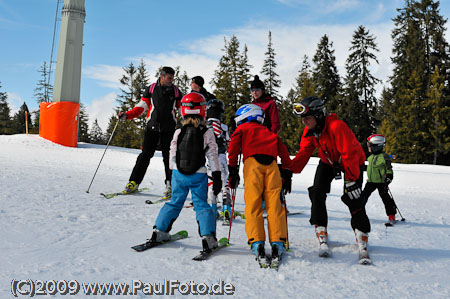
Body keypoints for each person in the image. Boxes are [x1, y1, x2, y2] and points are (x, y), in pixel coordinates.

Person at [290, 96, 370, 260]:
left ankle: (361, 233)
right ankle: (320, 227)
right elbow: (304, 153)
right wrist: (288, 169)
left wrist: (352, 180)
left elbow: (350, 154)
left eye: (307, 118)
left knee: (353, 196)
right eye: (302, 119)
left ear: (318, 116)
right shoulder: (311, 131)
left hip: (352, 162)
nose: (304, 122)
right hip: (328, 161)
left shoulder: (337, 127)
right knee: (317, 191)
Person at [151, 92, 222, 252]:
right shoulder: (207, 132)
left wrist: (170, 173)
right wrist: (216, 175)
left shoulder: (179, 131)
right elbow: (212, 155)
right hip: (198, 174)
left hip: (178, 174)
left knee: (174, 202)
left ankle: (159, 231)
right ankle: (208, 237)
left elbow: (172, 152)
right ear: (202, 110)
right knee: (201, 205)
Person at [228, 104, 292, 266]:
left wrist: (233, 171)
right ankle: (278, 241)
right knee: (275, 206)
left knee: (254, 204)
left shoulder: (242, 130)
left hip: (252, 165)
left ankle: (257, 242)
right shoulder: (269, 132)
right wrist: (286, 172)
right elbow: (283, 151)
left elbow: (233, 149)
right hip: (272, 167)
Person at [118, 66, 183, 199]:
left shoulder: (176, 91)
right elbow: (141, 107)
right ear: (162, 76)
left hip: (169, 129)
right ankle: (134, 182)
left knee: (169, 158)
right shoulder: (152, 89)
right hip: (151, 128)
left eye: (173, 78)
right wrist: (127, 115)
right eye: (169, 78)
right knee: (145, 156)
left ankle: (169, 186)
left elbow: (181, 109)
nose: (171, 80)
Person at [205, 99, 232, 225]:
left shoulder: (204, 127)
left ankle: (213, 209)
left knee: (212, 184)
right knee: (225, 184)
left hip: (209, 158)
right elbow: (228, 141)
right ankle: (227, 210)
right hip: (221, 157)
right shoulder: (224, 127)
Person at [362, 134, 397, 225]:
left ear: (377, 146)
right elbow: (371, 167)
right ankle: (358, 213)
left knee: (386, 198)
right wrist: (362, 168)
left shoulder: (385, 157)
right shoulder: (370, 157)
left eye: (370, 146)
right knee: (363, 196)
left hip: (381, 182)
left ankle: (391, 215)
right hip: (370, 181)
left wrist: (388, 179)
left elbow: (389, 170)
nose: (368, 148)